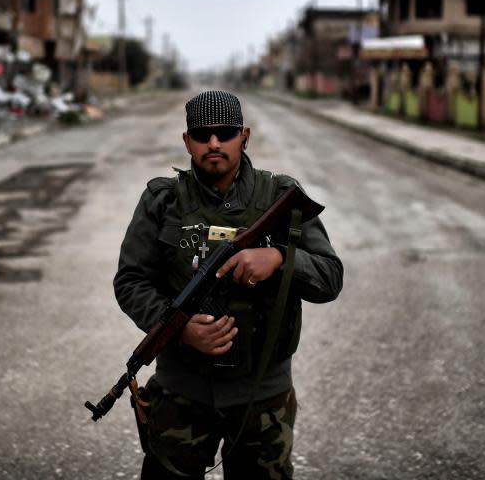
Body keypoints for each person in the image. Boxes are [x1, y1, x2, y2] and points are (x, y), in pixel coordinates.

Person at [113, 90, 343, 479]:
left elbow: (329, 277)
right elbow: (131, 281)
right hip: (181, 391)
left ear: (245, 135)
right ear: (187, 141)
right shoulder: (162, 201)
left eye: (225, 132)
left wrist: (281, 259)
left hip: (262, 396)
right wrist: (181, 330)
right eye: (202, 135)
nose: (214, 143)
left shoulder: (280, 198)